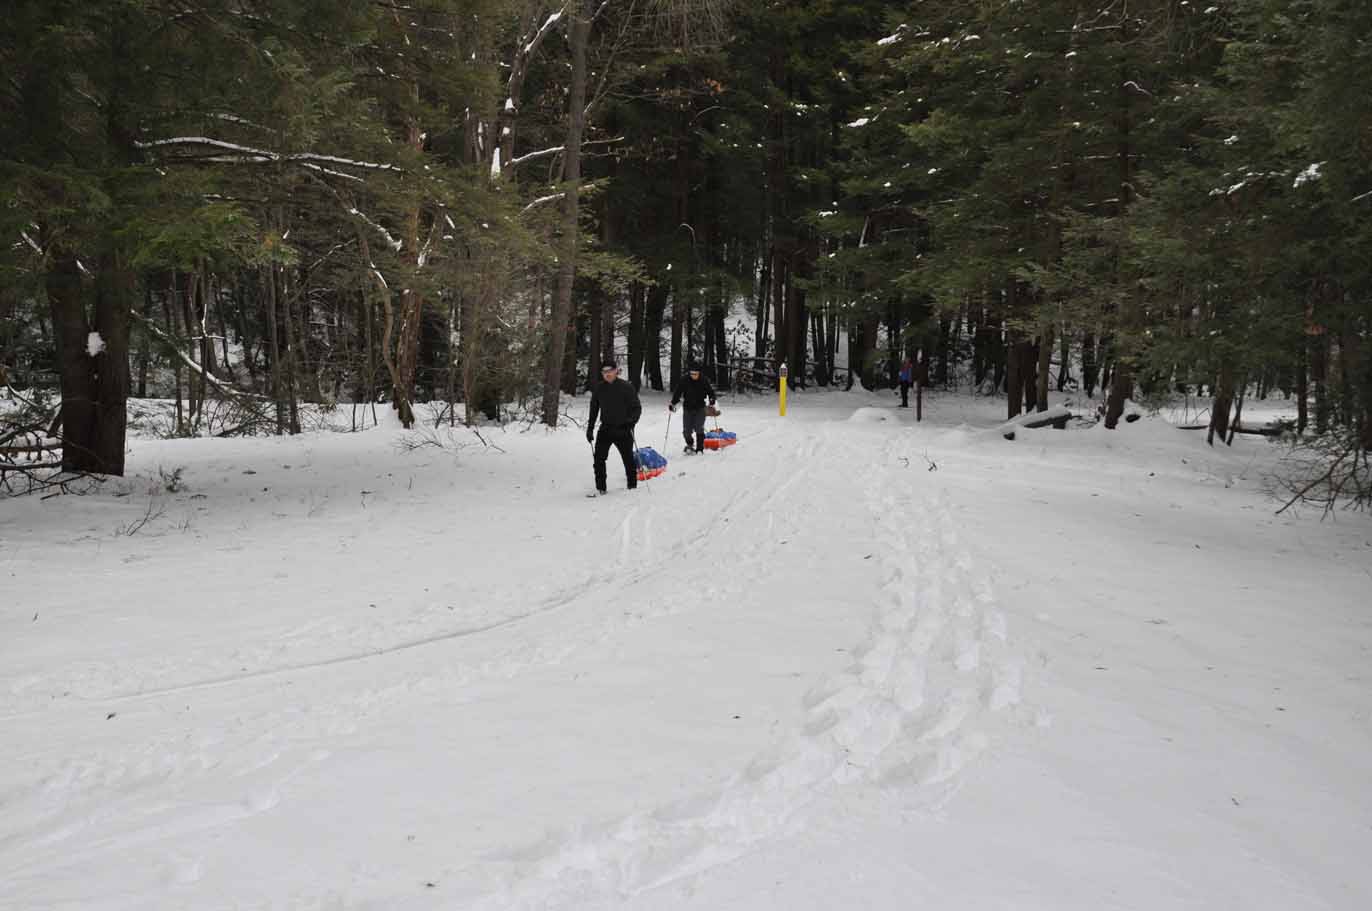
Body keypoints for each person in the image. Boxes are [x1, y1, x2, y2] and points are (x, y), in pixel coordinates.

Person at [587, 360, 642, 494]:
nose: (607, 374)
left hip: (623, 428)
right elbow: (594, 409)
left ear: (616, 371)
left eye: (610, 371)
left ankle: (632, 485)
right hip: (606, 428)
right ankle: (601, 487)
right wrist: (590, 428)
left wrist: (631, 422)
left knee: (628, 458)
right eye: (604, 372)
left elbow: (636, 408)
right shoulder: (599, 389)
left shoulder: (626, 387)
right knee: (599, 458)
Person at [669, 362, 717, 454]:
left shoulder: (703, 380)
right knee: (686, 431)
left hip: (700, 407)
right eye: (691, 374)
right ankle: (690, 444)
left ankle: (699, 449)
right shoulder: (684, 380)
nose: (693, 376)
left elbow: (710, 392)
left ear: (699, 373)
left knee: (699, 427)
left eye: (695, 374)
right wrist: (673, 403)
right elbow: (678, 392)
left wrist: (712, 399)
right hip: (688, 407)